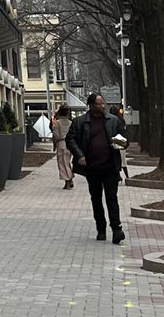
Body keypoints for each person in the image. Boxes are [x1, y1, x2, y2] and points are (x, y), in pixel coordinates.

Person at [70, 94, 128, 243]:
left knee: (112, 198)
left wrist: (120, 142)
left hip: (110, 167)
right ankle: (100, 228)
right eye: (99, 104)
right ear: (91, 105)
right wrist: (80, 155)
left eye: (104, 103)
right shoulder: (80, 122)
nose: (102, 106)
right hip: (92, 168)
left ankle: (117, 229)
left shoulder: (113, 121)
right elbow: (70, 139)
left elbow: (124, 139)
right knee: (96, 199)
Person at [51, 105, 74, 189]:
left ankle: (68, 181)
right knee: (67, 162)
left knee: (62, 163)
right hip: (69, 144)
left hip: (61, 143)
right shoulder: (70, 123)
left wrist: (54, 144)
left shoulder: (57, 123)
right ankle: (70, 179)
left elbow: (56, 135)